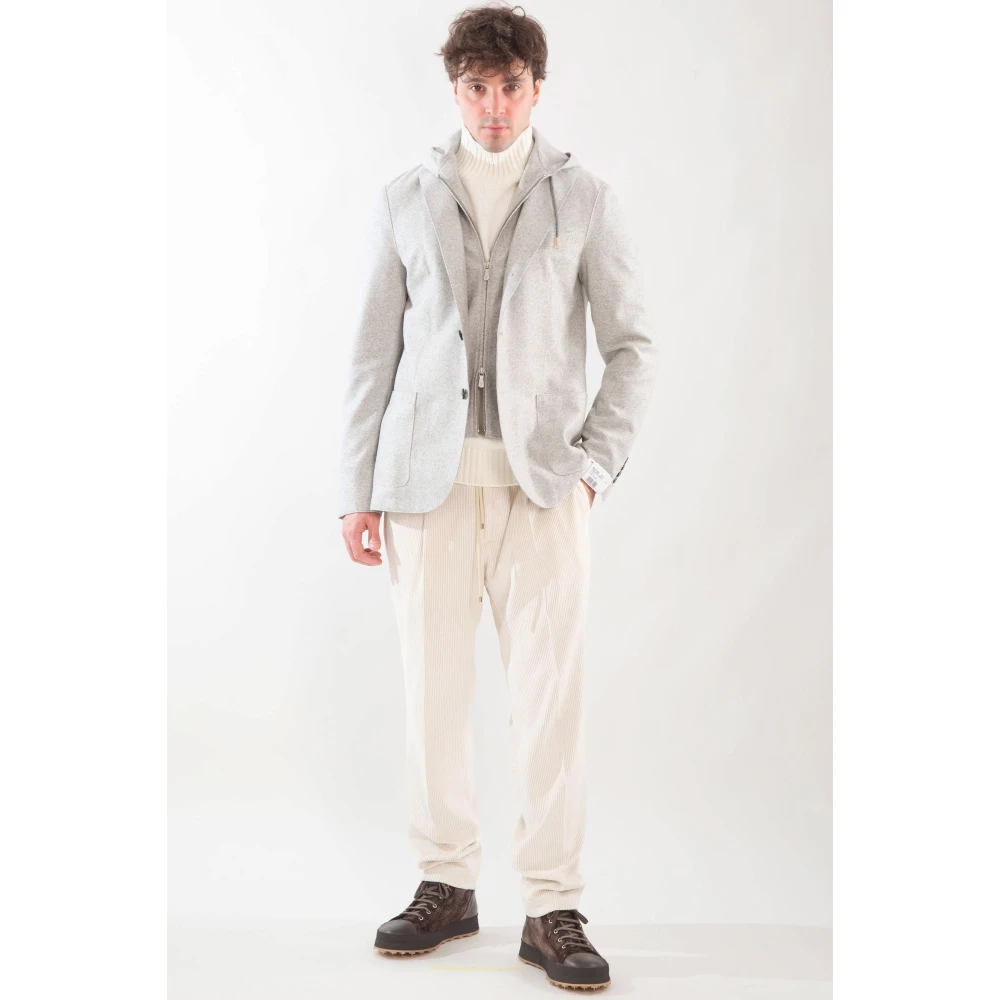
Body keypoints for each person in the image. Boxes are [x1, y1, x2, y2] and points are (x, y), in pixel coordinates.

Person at [337, 5, 656, 991]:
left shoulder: (584, 197)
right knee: (432, 699)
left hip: (544, 493)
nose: (492, 106)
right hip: (422, 493)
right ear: (455, 89)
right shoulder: (405, 197)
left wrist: (595, 465)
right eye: (475, 87)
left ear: (535, 88)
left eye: (510, 86)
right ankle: (446, 883)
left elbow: (633, 347)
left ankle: (552, 904)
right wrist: (356, 490)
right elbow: (372, 353)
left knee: (549, 704)